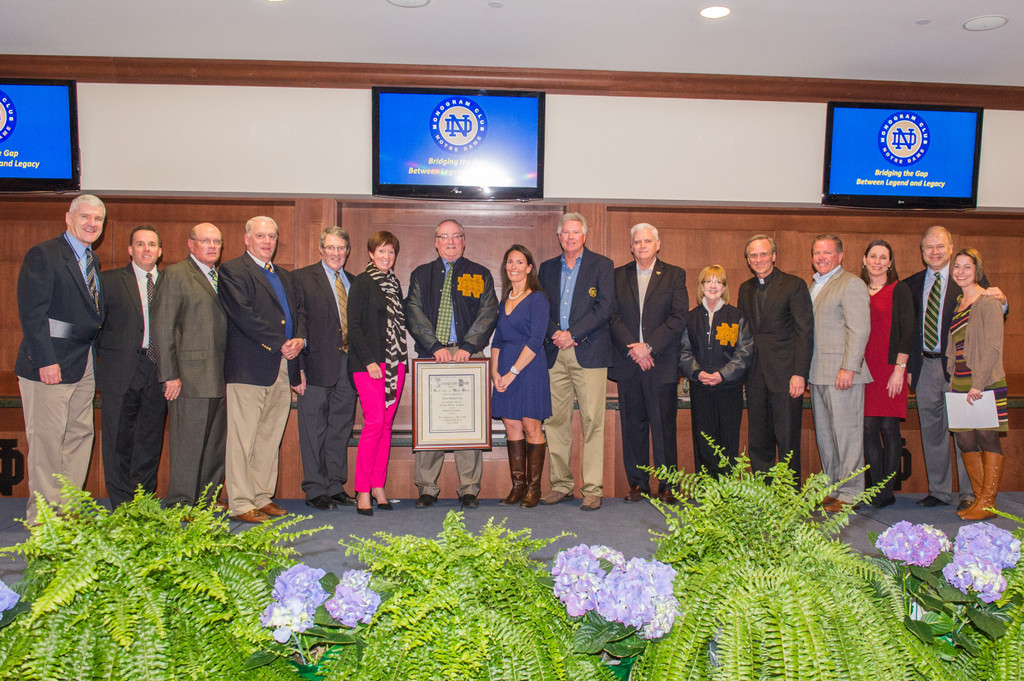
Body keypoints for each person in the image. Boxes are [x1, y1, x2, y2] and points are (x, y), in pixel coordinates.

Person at [16, 194, 106, 524]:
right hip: (49, 365)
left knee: (79, 436)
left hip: (83, 365)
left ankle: (67, 510)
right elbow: (33, 313)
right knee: (47, 442)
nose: (91, 223)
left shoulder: (91, 260)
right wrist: (45, 360)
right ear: (68, 218)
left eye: (97, 219)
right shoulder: (44, 255)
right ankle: (42, 518)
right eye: (85, 216)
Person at [905, 226, 1006, 510]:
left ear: (951, 248)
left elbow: (993, 305)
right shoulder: (912, 284)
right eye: (929, 247)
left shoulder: (966, 278)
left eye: (940, 246)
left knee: (966, 430)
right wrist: (909, 365)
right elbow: (907, 330)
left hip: (962, 369)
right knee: (932, 431)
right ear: (922, 251)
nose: (934, 252)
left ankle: (969, 493)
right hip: (924, 365)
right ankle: (939, 491)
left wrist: (1005, 301)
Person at [405, 219, 497, 509]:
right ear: (435, 242)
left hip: (469, 359)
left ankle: (469, 488)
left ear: (464, 240)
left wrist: (468, 347)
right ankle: (427, 488)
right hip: (433, 359)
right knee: (430, 422)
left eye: (456, 236)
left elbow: (488, 312)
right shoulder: (421, 274)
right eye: (444, 237)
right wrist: (435, 347)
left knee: (468, 421)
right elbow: (414, 312)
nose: (450, 242)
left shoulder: (479, 274)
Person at [219, 216, 305, 523]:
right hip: (248, 368)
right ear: (247, 239)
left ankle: (261, 496)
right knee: (243, 439)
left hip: (282, 366)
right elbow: (244, 316)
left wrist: (299, 342)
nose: (267, 241)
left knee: (270, 437)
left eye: (271, 236)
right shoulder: (232, 271)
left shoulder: (285, 275)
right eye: (260, 236)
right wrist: (282, 342)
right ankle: (241, 502)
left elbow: (298, 315)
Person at [538, 212, 615, 511]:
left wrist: (573, 334)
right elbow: (538, 306)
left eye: (575, 232)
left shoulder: (602, 265)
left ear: (584, 236)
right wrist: (556, 334)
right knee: (555, 420)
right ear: (559, 237)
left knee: (593, 421)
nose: (570, 237)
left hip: (589, 352)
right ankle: (561, 485)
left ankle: (592, 488)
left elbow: (605, 307)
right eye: (565, 233)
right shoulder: (545, 269)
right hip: (554, 351)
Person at [608, 223, 688, 502]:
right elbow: (612, 316)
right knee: (633, 428)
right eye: (637, 242)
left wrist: (649, 347)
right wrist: (634, 349)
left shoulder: (675, 275)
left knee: (664, 427)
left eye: (647, 241)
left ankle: (667, 485)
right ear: (631, 247)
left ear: (658, 244)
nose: (642, 246)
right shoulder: (617, 276)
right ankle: (638, 484)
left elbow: (678, 318)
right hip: (629, 363)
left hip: (661, 364)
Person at [151, 222, 228, 509]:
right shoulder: (175, 275)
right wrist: (169, 375)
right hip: (189, 378)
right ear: (190, 244)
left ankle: (205, 501)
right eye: (205, 240)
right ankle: (181, 503)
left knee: (213, 446)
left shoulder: (219, 276)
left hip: (219, 376)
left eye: (216, 242)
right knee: (188, 445)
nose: (211, 246)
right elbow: (162, 328)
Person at [95, 225, 168, 509]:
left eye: (152, 244)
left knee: (149, 440)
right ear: (130, 249)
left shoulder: (170, 282)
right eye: (140, 244)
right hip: (120, 370)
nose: (146, 250)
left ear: (160, 251)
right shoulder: (109, 281)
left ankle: (143, 503)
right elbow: (97, 327)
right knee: (117, 441)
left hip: (158, 370)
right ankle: (121, 505)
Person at [290, 226, 359, 511]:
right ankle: (315, 489)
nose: (336, 253)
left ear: (347, 251)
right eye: (330, 247)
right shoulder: (302, 279)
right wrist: (297, 370)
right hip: (314, 367)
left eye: (341, 248)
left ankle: (334, 485)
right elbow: (298, 324)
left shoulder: (354, 282)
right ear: (321, 249)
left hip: (348, 367)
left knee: (340, 429)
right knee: (313, 431)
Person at [736, 235, 813, 478]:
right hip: (755, 375)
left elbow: (805, 331)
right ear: (748, 260)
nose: (758, 259)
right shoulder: (745, 288)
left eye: (763, 254)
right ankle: (764, 494)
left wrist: (800, 373)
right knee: (759, 439)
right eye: (753, 255)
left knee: (788, 440)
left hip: (786, 376)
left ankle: (790, 497)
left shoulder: (794, 284)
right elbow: (741, 332)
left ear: (774, 256)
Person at [808, 234, 872, 513]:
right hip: (818, 372)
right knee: (826, 436)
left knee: (847, 435)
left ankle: (851, 491)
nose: (821, 257)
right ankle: (833, 487)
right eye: (817, 252)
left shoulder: (851, 283)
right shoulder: (814, 285)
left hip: (842, 373)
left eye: (827, 252)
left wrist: (849, 367)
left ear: (840, 256)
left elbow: (859, 329)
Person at [348, 231, 407, 516]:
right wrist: (370, 361)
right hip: (369, 365)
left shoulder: (394, 284)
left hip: (396, 364)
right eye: (381, 251)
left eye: (391, 252)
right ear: (371, 254)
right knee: (373, 425)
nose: (386, 256)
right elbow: (354, 327)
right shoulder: (362, 282)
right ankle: (361, 490)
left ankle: (378, 486)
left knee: (386, 427)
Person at [946, 249, 1008, 521]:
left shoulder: (987, 301)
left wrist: (979, 383)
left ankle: (988, 502)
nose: (960, 272)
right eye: (956, 267)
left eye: (966, 267)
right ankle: (981, 499)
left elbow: (994, 346)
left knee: (986, 437)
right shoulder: (959, 303)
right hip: (960, 381)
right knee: (964, 439)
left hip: (983, 381)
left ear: (977, 270)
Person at [491, 245, 551, 508]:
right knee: (512, 426)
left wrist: (512, 372)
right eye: (509, 262)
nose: (513, 266)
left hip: (528, 368)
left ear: (529, 268)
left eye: (519, 262)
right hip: (503, 369)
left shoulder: (538, 298)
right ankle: (518, 487)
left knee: (531, 427)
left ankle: (534, 489)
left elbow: (537, 340)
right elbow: (497, 339)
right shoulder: (504, 300)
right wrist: (495, 372)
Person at [679, 265, 752, 477]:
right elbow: (683, 350)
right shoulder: (690, 318)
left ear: (724, 287)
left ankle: (725, 490)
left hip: (729, 389)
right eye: (708, 281)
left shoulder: (737, 316)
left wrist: (722, 375)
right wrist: (697, 373)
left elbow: (744, 352)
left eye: (718, 282)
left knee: (728, 439)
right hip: (700, 387)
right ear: (701, 286)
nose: (713, 286)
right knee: (703, 439)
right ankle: (705, 490)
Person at [859, 240, 913, 508]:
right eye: (873, 256)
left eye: (883, 257)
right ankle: (874, 488)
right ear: (864, 259)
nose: (877, 261)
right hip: (864, 369)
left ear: (890, 263)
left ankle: (886, 491)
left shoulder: (898, 289)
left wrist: (899, 370)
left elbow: (907, 332)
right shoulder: (856, 289)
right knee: (868, 429)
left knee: (889, 429)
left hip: (890, 368)